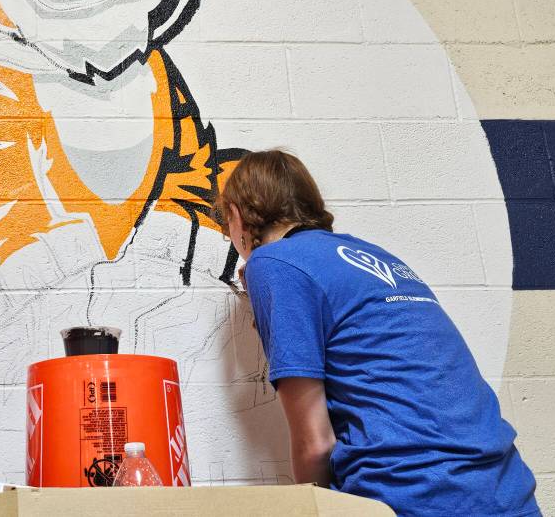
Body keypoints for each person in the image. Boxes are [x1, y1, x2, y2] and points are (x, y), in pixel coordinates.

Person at [217, 149, 538, 517]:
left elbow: (316, 443)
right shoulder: (372, 256)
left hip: (416, 494)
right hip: (505, 489)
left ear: (237, 216)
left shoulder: (271, 263)